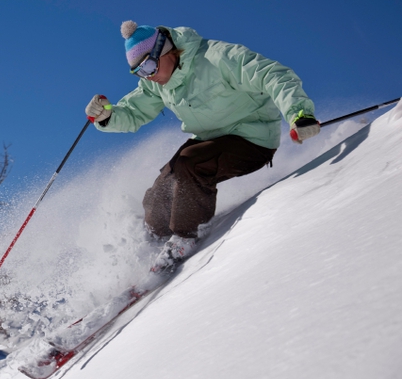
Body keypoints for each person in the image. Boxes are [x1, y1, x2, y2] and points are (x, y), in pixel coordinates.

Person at [85, 21, 321, 274]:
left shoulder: (216, 57)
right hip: (210, 140)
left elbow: (272, 74)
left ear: (166, 50)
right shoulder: (156, 83)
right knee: (159, 193)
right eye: (140, 73)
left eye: (149, 66)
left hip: (253, 137)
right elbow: (133, 111)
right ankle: (151, 245)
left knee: (190, 163)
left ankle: (185, 237)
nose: (149, 76)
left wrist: (299, 114)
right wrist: (106, 116)